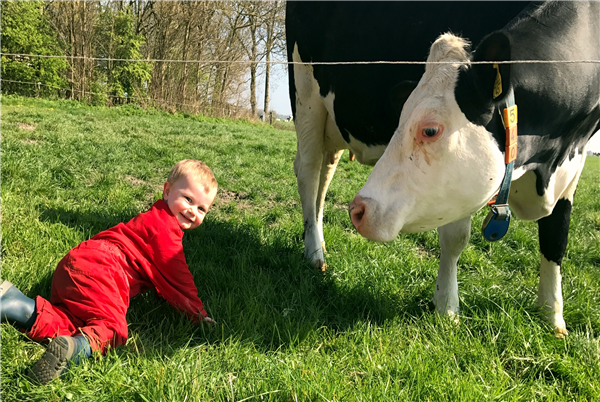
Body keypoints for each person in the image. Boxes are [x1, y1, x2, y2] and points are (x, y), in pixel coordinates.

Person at [1, 159, 218, 384]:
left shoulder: (152, 218)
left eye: (202, 208)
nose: (193, 211)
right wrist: (199, 316)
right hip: (104, 271)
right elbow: (179, 280)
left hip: (76, 264)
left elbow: (155, 272)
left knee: (76, 321)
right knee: (113, 330)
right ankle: (75, 352)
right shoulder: (166, 233)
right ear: (167, 190)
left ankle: (17, 305)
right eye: (188, 200)